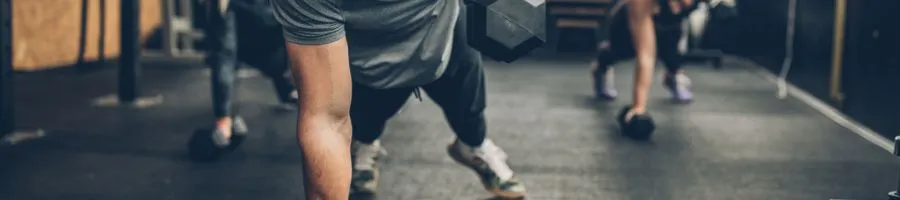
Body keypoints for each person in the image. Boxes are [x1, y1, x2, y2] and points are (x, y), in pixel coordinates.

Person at [269, 0, 526, 199]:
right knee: (361, 118)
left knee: (469, 113)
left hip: (444, 42)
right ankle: (365, 146)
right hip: (370, 69)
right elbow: (325, 119)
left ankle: (474, 145)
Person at [204, 0, 297, 148]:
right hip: (247, 36)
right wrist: (223, 118)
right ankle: (287, 88)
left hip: (269, 41)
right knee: (225, 51)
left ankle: (286, 89)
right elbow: (225, 56)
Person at [592, 0, 700, 104]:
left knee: (671, 48)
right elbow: (646, 55)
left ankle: (673, 76)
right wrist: (639, 107)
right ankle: (601, 66)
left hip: (667, 22)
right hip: (628, 20)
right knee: (623, 51)